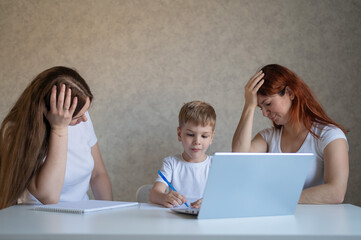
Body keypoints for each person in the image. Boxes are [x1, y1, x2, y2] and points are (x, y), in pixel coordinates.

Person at [232, 64, 349, 204]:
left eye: (268, 104)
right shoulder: (268, 137)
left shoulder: (330, 136)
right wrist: (249, 106)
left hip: (317, 223)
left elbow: (335, 192)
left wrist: (276, 199)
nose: (264, 113)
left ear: (290, 93)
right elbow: (239, 156)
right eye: (260, 108)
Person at [0, 66, 113, 210]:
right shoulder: (13, 131)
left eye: (86, 112)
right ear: (50, 112)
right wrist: (59, 129)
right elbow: (49, 197)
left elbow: (98, 174)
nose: (84, 119)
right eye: (77, 117)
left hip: (81, 216)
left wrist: (107, 211)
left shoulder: (82, 119)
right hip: (36, 219)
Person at [149, 101, 216, 208]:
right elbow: (154, 194)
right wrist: (164, 198)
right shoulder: (171, 163)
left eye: (204, 136)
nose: (197, 141)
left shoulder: (216, 164)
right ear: (180, 134)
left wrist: (211, 202)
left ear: (211, 137)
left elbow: (228, 197)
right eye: (190, 134)